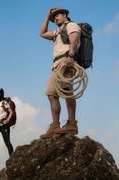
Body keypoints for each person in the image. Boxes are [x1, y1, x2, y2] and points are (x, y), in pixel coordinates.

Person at [39, 7, 81, 138]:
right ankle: (55, 125)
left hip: (66, 60)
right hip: (56, 64)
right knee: (51, 94)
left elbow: (74, 40)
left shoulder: (71, 25)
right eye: (53, 17)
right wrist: (47, 16)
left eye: (57, 15)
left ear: (65, 15)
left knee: (67, 92)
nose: (55, 18)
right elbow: (42, 33)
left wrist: (71, 56)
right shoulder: (57, 32)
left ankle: (72, 123)